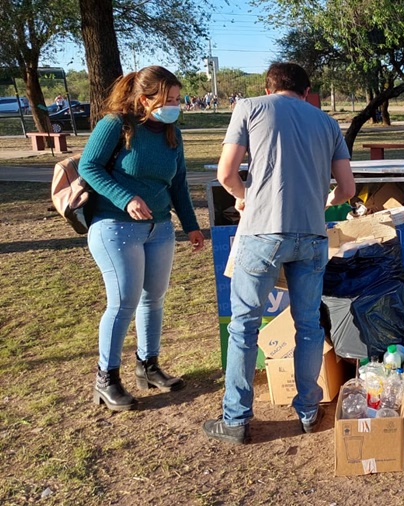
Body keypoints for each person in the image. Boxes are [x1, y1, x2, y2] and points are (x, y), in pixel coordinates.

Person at [203, 62, 355, 444]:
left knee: (243, 327)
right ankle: (308, 410)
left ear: (269, 88)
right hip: (312, 236)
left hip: (262, 233)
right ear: (307, 92)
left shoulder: (250, 107)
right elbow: (348, 190)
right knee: (308, 326)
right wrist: (322, 203)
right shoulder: (328, 123)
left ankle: (236, 420)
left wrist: (245, 199)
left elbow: (226, 174)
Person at [79, 66, 205, 411]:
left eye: (178, 100)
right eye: (168, 100)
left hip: (160, 228)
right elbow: (88, 167)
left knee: (154, 300)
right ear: (143, 98)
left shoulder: (171, 131)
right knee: (123, 303)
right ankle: (106, 378)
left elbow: (177, 183)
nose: (175, 106)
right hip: (115, 227)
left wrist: (191, 225)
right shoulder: (116, 125)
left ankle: (148, 366)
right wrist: (126, 198)